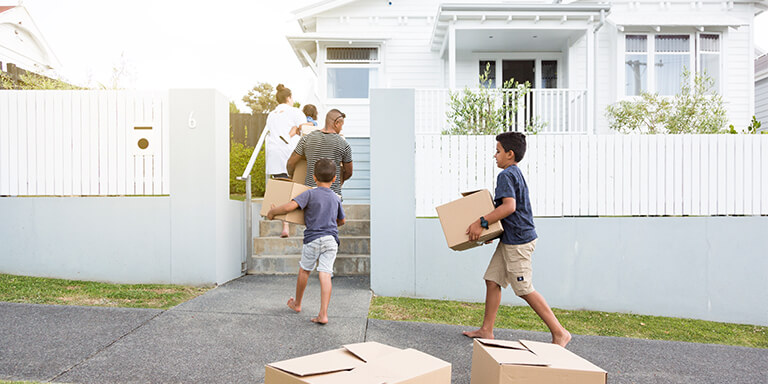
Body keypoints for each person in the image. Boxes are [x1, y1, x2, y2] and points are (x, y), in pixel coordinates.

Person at [463, 132, 571, 347]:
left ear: (509, 154)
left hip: (519, 242)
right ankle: (486, 330)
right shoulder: (515, 173)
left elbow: (509, 207)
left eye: (498, 151)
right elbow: (511, 211)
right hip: (511, 238)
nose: (495, 155)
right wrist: (493, 232)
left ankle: (560, 333)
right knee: (493, 280)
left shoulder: (505, 176)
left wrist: (481, 222)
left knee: (523, 288)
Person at [267, 159, 346, 324]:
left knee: (305, 271)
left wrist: (273, 211)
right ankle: (323, 314)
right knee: (325, 273)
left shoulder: (309, 193)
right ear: (334, 179)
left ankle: (297, 304)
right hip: (331, 240)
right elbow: (342, 221)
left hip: (313, 239)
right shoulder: (336, 198)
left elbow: (290, 207)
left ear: (314, 177)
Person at [264, 84, 305, 238]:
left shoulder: (271, 115)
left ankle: (285, 225)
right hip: (290, 154)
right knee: (295, 187)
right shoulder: (294, 111)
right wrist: (295, 130)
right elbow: (305, 128)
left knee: (281, 188)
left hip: (274, 153)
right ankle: (294, 219)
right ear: (289, 98)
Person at [287, 109, 352, 197]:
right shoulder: (344, 144)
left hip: (311, 196)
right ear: (336, 123)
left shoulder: (306, 139)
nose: (341, 128)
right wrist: (338, 182)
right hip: (333, 195)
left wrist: (292, 175)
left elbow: (291, 163)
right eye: (341, 125)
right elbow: (349, 172)